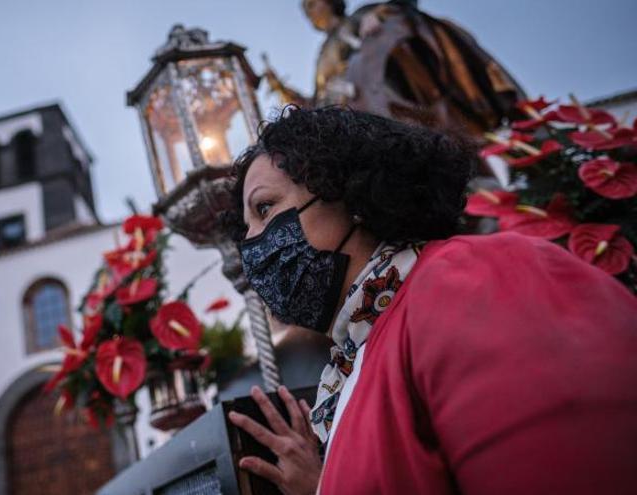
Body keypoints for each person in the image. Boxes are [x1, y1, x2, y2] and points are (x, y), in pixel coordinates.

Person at [223, 106, 637, 494]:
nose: (253, 245)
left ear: (348, 192)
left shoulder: (468, 278)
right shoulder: (358, 355)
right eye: (247, 228)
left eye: (265, 208)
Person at [263, 0, 524, 134]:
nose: (308, 12)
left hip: (383, 105)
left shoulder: (360, 17)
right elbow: (317, 100)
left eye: (311, 4)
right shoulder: (321, 56)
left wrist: (382, 15)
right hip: (344, 120)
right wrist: (281, 88)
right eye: (305, 9)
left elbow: (397, 19)